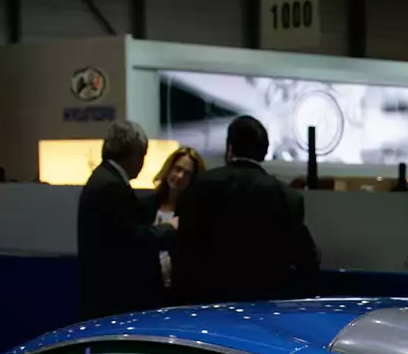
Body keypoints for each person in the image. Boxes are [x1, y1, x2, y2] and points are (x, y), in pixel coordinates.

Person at [173, 115, 319, 304]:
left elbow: (181, 250)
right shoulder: (287, 197)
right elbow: (306, 260)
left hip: (205, 305)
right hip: (263, 307)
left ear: (229, 148)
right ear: (264, 152)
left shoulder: (198, 186)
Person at [77, 121, 175, 320]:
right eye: (143, 155)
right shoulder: (112, 186)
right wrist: (167, 229)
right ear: (133, 153)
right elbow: (129, 238)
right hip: (112, 295)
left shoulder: (103, 178)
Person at [151, 145, 204, 289]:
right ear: (169, 168)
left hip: (180, 286)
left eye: (187, 174)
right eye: (178, 169)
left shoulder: (195, 212)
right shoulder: (147, 205)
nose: (180, 176)